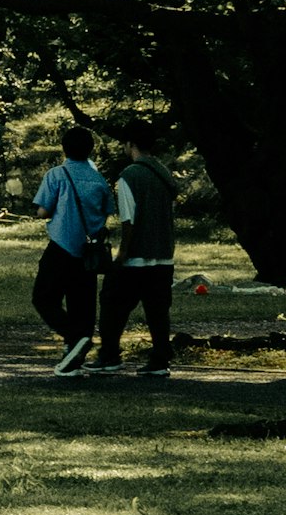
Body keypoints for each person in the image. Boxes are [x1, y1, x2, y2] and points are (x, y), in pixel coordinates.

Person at [92, 121, 179, 373]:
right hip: (163, 255)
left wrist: (122, 254)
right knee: (158, 311)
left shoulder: (129, 176)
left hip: (137, 257)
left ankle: (109, 354)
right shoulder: (163, 172)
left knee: (111, 302)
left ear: (130, 144)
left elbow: (128, 220)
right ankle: (160, 359)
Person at [31, 121, 108, 372]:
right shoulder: (99, 180)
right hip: (89, 251)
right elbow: (106, 212)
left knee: (44, 297)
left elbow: (43, 211)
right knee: (82, 304)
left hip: (61, 246)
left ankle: (74, 337)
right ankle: (74, 358)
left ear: (64, 149)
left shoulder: (56, 175)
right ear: (91, 150)